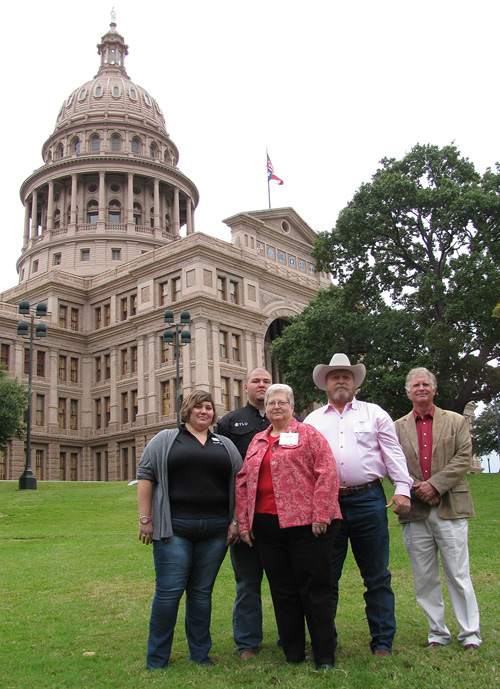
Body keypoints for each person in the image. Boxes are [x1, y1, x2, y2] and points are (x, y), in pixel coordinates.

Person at [304, 353, 412, 657]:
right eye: (335, 376)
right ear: (325, 384)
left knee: (377, 575)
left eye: (346, 376)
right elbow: (304, 464)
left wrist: (402, 488)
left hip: (369, 500)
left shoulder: (374, 413)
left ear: (355, 383)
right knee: (325, 575)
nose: (340, 380)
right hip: (329, 504)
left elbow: (393, 453)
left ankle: (382, 643)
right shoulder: (312, 420)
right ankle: (325, 644)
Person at [236, 383, 342, 670]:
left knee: (314, 590)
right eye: (271, 403)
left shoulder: (309, 435)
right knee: (282, 592)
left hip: (307, 525)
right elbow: (243, 482)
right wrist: (244, 523)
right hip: (268, 526)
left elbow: (328, 472)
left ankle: (324, 656)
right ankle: (293, 654)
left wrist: (322, 514)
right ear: (266, 409)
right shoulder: (258, 440)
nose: (277, 407)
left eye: (282, 402)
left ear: (292, 407)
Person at [136, 390, 242, 669]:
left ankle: (200, 653)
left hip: (216, 531)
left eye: (208, 408)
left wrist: (235, 521)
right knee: (169, 593)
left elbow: (239, 483)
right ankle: (157, 659)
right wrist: (145, 518)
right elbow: (145, 475)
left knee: (201, 593)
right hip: (175, 530)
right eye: (198, 407)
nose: (204, 412)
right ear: (186, 411)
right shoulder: (166, 440)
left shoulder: (225, 444)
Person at [395, 367, 482, 650]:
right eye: (415, 385)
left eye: (425, 384)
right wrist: (418, 488)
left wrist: (434, 486)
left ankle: (470, 634)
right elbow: (393, 464)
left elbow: (463, 458)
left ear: (434, 389)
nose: (420, 389)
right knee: (424, 576)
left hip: (450, 506)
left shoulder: (456, 421)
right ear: (407, 392)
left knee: (458, 573)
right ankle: (437, 633)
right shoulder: (397, 427)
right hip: (415, 510)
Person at [214, 367, 273, 660]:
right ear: (245, 386)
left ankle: (292, 637)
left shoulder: (289, 421)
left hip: (278, 515)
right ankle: (247, 642)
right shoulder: (229, 422)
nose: (262, 385)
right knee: (247, 582)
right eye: (257, 381)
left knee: (285, 582)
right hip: (243, 515)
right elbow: (218, 469)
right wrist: (232, 517)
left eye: (267, 381)